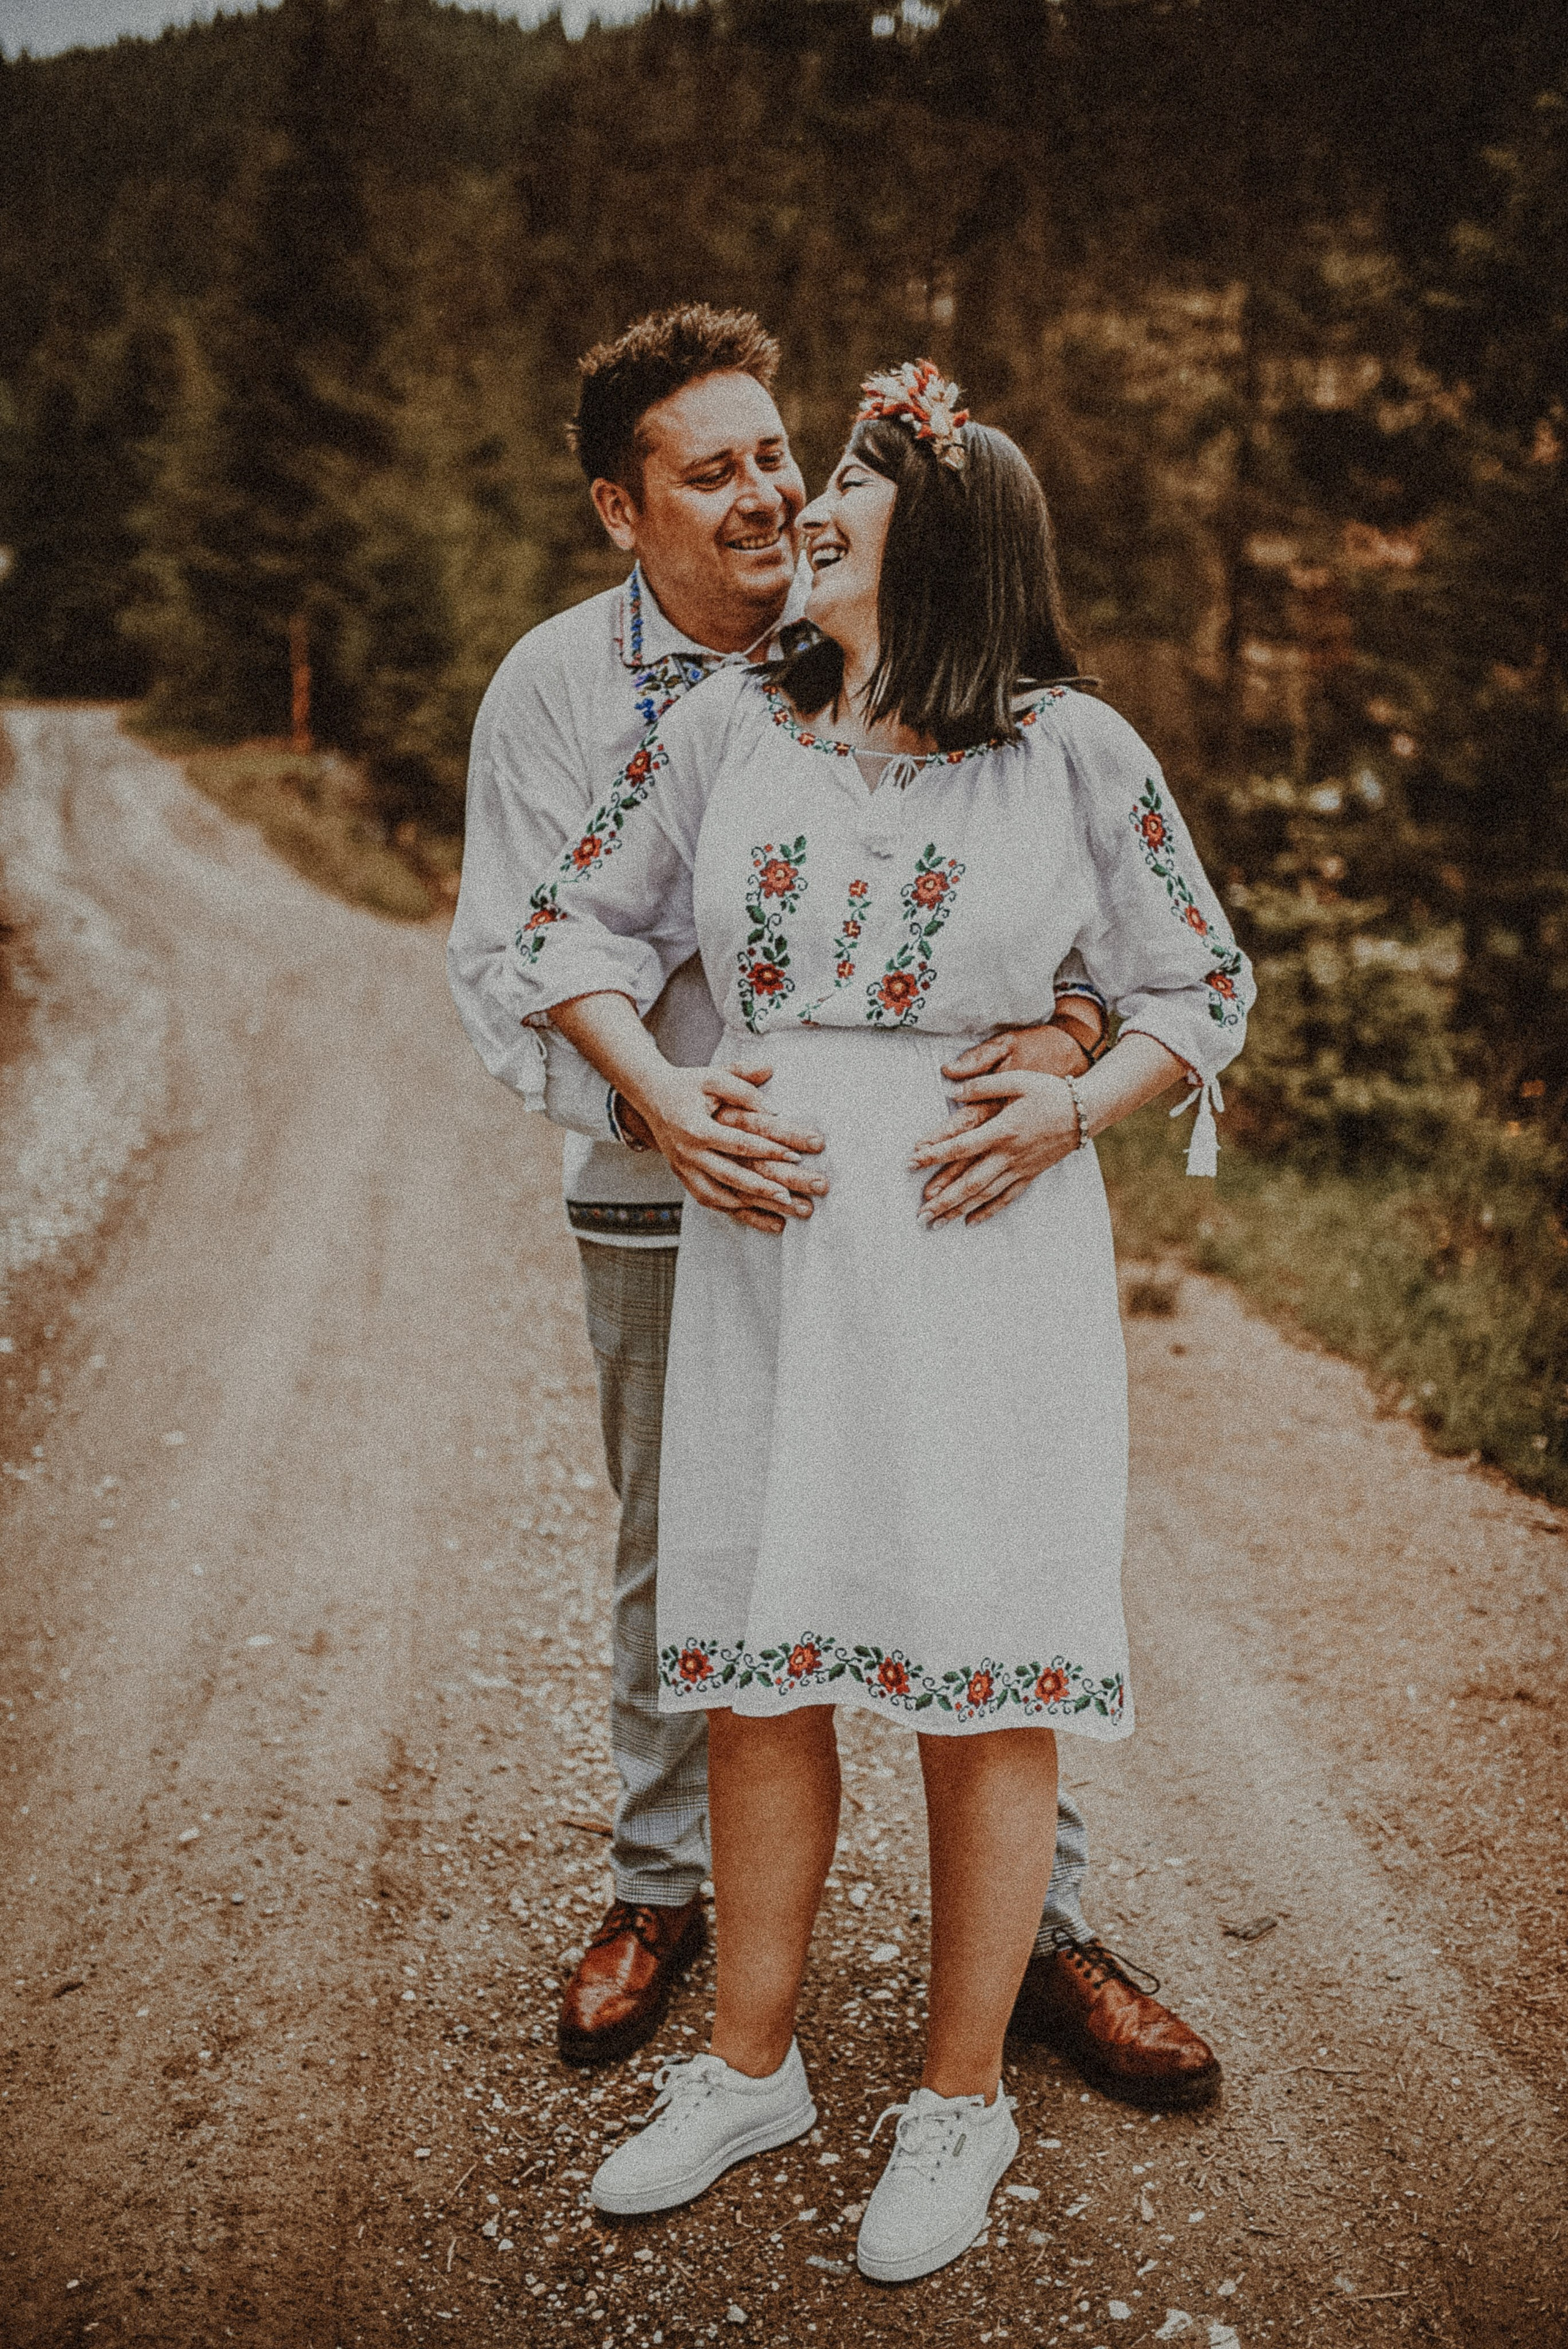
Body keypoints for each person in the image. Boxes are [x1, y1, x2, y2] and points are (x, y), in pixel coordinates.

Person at [505, 360, 1254, 2282]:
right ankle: (753, 2064)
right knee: (762, 1656)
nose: (805, 509)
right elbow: (568, 936)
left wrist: (1079, 1089)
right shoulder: (726, 732)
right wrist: (667, 1103)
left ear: (951, 543)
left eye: (848, 482)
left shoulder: (1073, 752)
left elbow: (1203, 979)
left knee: (980, 1675)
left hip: (980, 1247)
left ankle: (958, 2100)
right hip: (772, 1249)